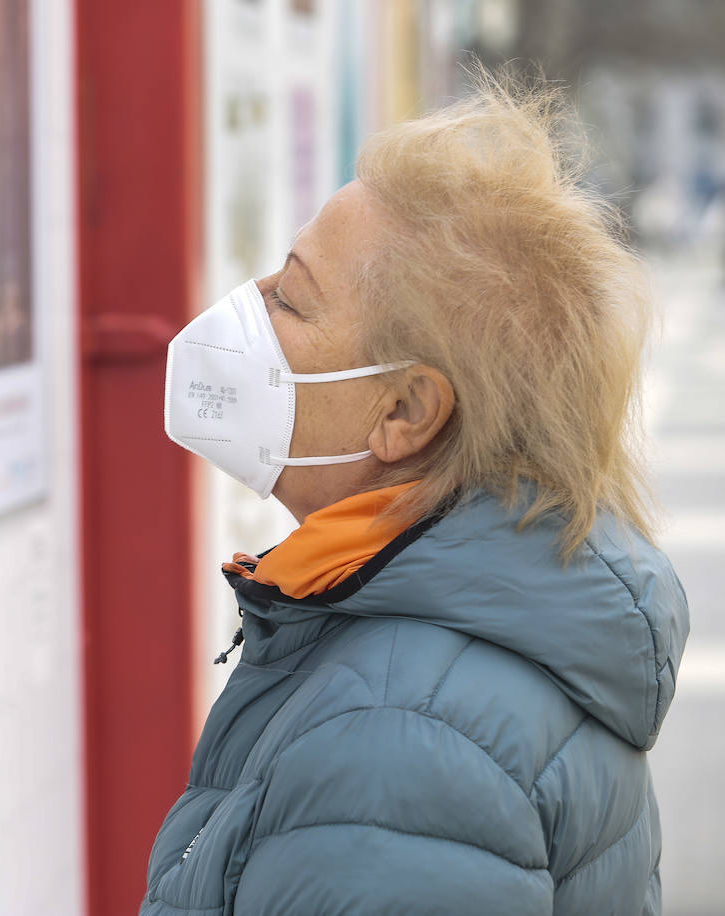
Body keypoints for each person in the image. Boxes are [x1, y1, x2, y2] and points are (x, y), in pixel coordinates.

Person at [147, 72, 690, 915]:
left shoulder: (396, 745)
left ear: (404, 410)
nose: (246, 310)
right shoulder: (474, 635)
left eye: (291, 298)